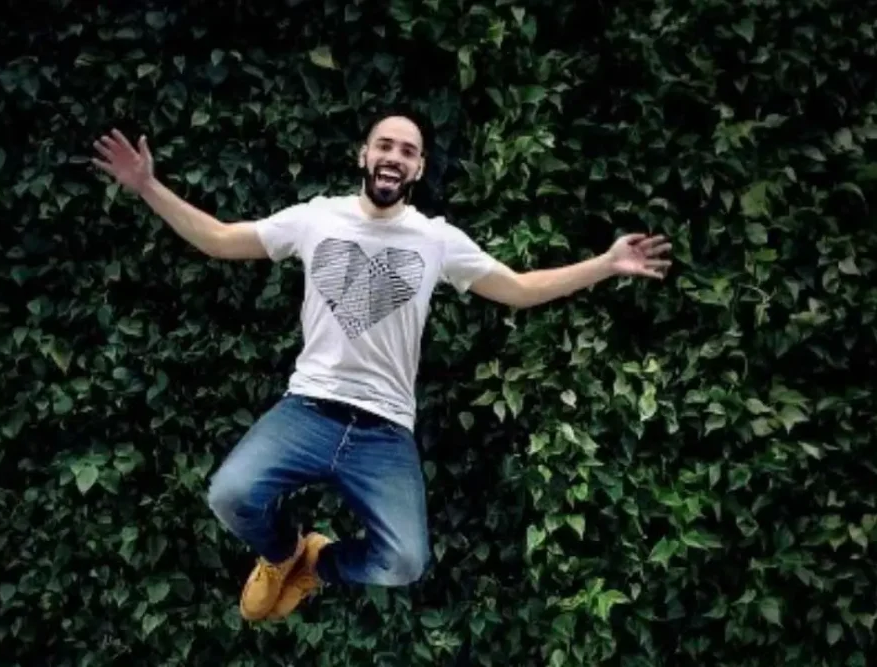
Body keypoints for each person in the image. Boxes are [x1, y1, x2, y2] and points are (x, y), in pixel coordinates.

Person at [90, 114, 672, 622]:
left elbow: (519, 289)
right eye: (385, 145)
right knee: (229, 494)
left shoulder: (436, 240)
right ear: (363, 156)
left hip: (384, 429)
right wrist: (147, 187)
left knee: (404, 561)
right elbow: (220, 239)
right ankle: (281, 552)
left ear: (418, 169)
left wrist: (605, 263)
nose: (395, 156)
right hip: (308, 409)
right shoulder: (316, 218)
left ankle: (315, 565)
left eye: (408, 151)